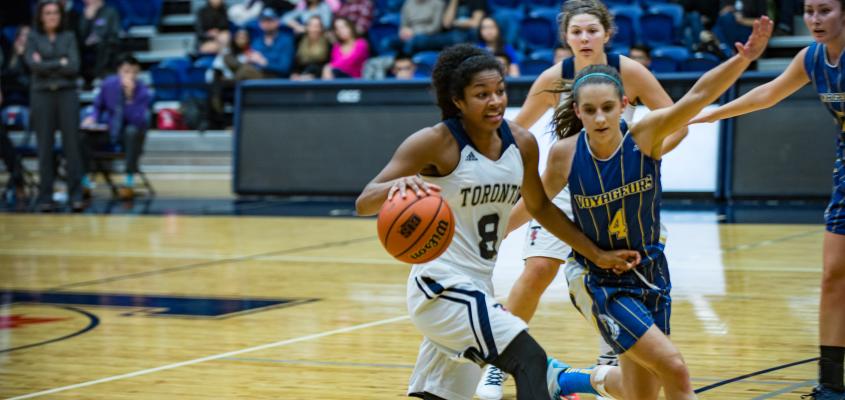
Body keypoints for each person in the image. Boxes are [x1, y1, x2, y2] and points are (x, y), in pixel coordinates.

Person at [355, 43, 641, 400]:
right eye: (481, 95)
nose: (495, 101)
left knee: (437, 396)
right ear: (457, 101)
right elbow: (365, 201)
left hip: (479, 287)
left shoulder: (521, 142)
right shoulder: (435, 142)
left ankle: (567, 380)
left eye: (500, 91)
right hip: (440, 287)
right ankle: (569, 381)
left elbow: (541, 208)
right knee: (529, 360)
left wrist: (596, 254)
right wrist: (397, 185)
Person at [533, 17, 771, 400]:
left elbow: (697, 96)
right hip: (598, 281)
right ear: (576, 111)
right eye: (589, 110)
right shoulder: (565, 154)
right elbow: (539, 206)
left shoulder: (645, 137)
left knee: (640, 391)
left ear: (624, 106)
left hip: (651, 269)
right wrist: (594, 253)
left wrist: (743, 60)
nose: (599, 118)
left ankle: (565, 381)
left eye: (608, 108)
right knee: (674, 368)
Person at [477, 1, 689, 397]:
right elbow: (515, 128)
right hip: (567, 186)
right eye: (577, 32)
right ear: (566, 38)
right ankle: (499, 361)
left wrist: (645, 158)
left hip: (619, 188)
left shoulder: (630, 73)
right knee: (538, 270)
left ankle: (610, 359)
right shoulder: (554, 77)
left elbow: (676, 121)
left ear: (607, 33)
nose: (585, 38)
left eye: (592, 30)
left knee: (624, 270)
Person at [690, 1, 845, 398]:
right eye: (809, 10)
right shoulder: (812, 58)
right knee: (833, 275)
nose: (814, 19)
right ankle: (831, 384)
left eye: (825, 10)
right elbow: (768, 94)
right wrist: (715, 113)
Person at [26, 0, 84, 212]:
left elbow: (74, 66)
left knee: (72, 146)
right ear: (41, 16)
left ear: (61, 16)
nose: (52, 16)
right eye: (48, 13)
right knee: (45, 147)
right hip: (41, 95)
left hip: (66, 94)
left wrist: (45, 64)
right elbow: (32, 65)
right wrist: (59, 62)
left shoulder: (69, 37)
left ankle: (75, 194)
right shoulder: (33, 37)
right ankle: (45, 196)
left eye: (55, 13)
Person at [82, 55, 150, 200]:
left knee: (132, 132)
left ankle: (128, 183)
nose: (129, 75)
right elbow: (97, 105)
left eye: (133, 72)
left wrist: (130, 98)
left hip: (129, 135)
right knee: (83, 135)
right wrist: (92, 117)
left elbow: (137, 120)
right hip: (110, 129)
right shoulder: (108, 85)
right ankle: (84, 182)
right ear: (119, 71)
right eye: (126, 71)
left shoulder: (143, 91)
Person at [76, 0, 121, 86]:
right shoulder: (84, 13)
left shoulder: (110, 12)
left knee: (106, 45)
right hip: (87, 47)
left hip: (105, 47)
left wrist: (98, 38)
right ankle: (82, 77)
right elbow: (81, 34)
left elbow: (114, 33)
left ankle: (100, 75)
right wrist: (87, 19)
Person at [250, 8, 294, 78]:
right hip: (258, 79)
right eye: (264, 20)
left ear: (277, 22)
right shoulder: (256, 42)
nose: (267, 23)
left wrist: (265, 63)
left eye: (270, 20)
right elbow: (253, 65)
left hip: (278, 82)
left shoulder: (286, 40)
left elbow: (285, 67)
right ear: (260, 23)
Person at [291, 15, 330, 80]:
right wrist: (294, 73)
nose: (314, 29)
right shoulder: (299, 39)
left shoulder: (327, 42)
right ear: (307, 27)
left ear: (321, 28)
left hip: (319, 76)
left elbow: (328, 64)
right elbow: (295, 61)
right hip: (301, 74)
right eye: (311, 26)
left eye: (317, 26)